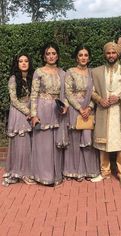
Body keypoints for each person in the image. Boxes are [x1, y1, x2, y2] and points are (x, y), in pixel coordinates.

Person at [90, 37, 121, 187]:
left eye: (113, 53)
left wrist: (120, 98)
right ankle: (105, 173)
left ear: (118, 54)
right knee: (103, 144)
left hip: (119, 112)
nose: (110, 55)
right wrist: (99, 100)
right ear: (105, 54)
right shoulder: (96, 72)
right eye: (108, 53)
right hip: (103, 111)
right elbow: (92, 91)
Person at [30, 42, 68, 186]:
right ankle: (42, 175)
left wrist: (66, 106)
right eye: (48, 54)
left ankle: (55, 175)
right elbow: (34, 94)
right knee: (43, 143)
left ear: (57, 55)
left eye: (53, 53)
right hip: (42, 108)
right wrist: (34, 114)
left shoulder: (63, 73)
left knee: (55, 144)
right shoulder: (38, 72)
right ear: (44, 56)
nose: (51, 56)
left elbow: (66, 95)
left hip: (57, 111)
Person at [63, 45, 99, 181]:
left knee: (88, 140)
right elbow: (68, 93)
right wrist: (80, 108)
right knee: (74, 140)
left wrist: (89, 108)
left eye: (86, 55)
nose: (83, 58)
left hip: (89, 110)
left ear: (89, 58)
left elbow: (95, 93)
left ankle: (89, 171)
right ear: (76, 57)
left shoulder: (93, 73)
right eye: (80, 55)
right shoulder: (70, 72)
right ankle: (74, 172)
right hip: (74, 109)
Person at [2, 53, 36, 186]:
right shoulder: (13, 79)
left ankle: (25, 171)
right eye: (20, 61)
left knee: (28, 144)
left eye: (26, 61)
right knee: (21, 143)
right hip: (18, 113)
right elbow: (14, 100)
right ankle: (21, 173)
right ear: (16, 64)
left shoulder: (32, 78)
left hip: (29, 111)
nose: (23, 63)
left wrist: (33, 111)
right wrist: (28, 112)